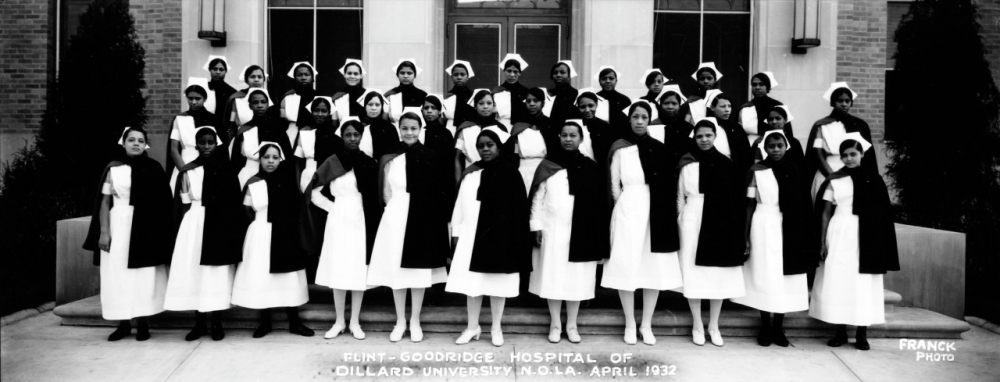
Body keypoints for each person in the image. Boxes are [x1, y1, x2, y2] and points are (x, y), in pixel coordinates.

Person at [602, 101, 684, 346]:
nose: (639, 121)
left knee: (653, 267)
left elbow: (668, 183)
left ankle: (646, 324)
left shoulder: (658, 148)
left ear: (649, 120)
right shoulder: (620, 149)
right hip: (628, 208)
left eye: (644, 117)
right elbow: (614, 184)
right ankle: (629, 322)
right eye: (635, 117)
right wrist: (624, 206)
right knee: (627, 265)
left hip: (655, 210)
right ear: (629, 119)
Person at [366, 112, 452, 343]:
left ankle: (414, 320)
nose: (409, 132)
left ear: (420, 129)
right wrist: (393, 211)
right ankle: (400, 320)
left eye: (414, 128)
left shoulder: (431, 156)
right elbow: (385, 192)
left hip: (422, 217)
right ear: (399, 129)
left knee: (418, 271)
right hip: (396, 216)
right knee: (397, 270)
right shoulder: (390, 158)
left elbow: (438, 191)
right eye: (405, 128)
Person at [83, 127, 173, 342]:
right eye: (131, 140)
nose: (135, 144)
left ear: (146, 145)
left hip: (146, 226)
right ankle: (123, 324)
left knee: (142, 275)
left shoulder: (154, 168)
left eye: (140, 141)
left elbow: (163, 203)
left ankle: (143, 323)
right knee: (119, 274)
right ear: (123, 143)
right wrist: (104, 233)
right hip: (119, 225)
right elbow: (104, 202)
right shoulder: (114, 169)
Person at [811, 135, 900, 351]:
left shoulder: (874, 179)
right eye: (845, 155)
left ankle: (861, 333)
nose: (849, 158)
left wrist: (880, 242)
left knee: (862, 284)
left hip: (867, 235)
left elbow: (883, 214)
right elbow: (824, 212)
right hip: (840, 231)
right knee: (839, 280)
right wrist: (822, 242)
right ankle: (840, 331)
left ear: (862, 154)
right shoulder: (834, 179)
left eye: (853, 154)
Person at [448, 129, 532, 347]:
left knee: (497, 284)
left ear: (498, 146)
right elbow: (459, 206)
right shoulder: (471, 173)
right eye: (481, 146)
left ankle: (496, 327)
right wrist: (455, 233)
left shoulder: (511, 173)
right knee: (472, 285)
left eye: (490, 145)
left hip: (499, 238)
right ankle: (472, 326)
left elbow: (519, 210)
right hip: (471, 236)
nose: (485, 149)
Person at [528, 121, 609, 344]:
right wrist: (535, 226)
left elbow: (599, 204)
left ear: (581, 139)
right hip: (552, 229)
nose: (568, 139)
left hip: (581, 231)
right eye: (564, 135)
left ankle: (572, 324)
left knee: (577, 278)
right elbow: (537, 197)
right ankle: (555, 324)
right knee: (553, 276)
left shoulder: (591, 167)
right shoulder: (549, 165)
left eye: (573, 135)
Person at [731, 130, 813, 347]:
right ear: (764, 148)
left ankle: (779, 327)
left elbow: (802, 204)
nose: (776, 150)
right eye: (771, 146)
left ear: (786, 146)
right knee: (766, 274)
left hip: (789, 226)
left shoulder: (794, 170)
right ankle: (765, 326)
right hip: (763, 224)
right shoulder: (757, 171)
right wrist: (746, 235)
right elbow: (749, 204)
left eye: (780, 145)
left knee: (784, 277)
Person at [164, 127, 244, 342]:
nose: (207, 146)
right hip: (195, 222)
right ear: (196, 144)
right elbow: (183, 203)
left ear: (216, 144)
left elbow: (234, 203)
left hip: (219, 224)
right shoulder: (188, 171)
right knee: (195, 272)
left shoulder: (226, 170)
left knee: (214, 274)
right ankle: (199, 323)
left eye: (210, 142)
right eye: (202, 142)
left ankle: (217, 322)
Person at [308, 120, 383, 340]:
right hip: (338, 219)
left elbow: (374, 197)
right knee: (340, 270)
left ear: (361, 137)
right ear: (342, 136)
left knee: (358, 271)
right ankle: (339, 321)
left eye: (356, 134)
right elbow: (314, 192)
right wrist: (333, 208)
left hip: (362, 220)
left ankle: (355, 322)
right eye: (348, 134)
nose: (352, 138)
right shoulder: (332, 161)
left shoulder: (369, 163)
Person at [677, 120, 747, 347]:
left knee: (717, 273)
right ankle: (697, 324)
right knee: (693, 272)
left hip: (720, 221)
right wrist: (682, 219)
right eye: (699, 136)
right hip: (692, 220)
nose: (704, 140)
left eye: (708, 135)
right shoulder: (687, 163)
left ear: (715, 136)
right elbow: (679, 196)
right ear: (694, 138)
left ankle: (714, 325)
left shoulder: (726, 164)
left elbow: (735, 199)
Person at [232, 142, 313, 338]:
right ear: (260, 159)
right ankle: (265, 322)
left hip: (285, 235)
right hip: (261, 234)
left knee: (287, 279)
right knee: (262, 277)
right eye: (266, 157)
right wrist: (259, 228)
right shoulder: (253, 183)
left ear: (280, 160)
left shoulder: (287, 182)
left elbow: (295, 210)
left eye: (275, 157)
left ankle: (294, 322)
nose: (270, 161)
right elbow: (246, 209)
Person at [805, 82, 878, 202]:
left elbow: (868, 157)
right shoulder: (822, 125)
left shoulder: (860, 125)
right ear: (833, 102)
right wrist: (832, 176)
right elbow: (816, 155)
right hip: (826, 172)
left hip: (854, 172)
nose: (844, 104)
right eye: (840, 101)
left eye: (847, 101)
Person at [231, 88, 292, 188]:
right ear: (250, 106)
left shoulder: (277, 129)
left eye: (263, 102)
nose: (260, 106)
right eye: (255, 102)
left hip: (275, 174)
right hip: (250, 172)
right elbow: (236, 160)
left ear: (268, 104)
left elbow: (287, 156)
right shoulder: (245, 130)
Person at [167, 82, 218, 195]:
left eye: (197, 98)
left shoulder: (213, 119)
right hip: (184, 163)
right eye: (190, 98)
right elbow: (173, 149)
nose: (193, 102)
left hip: (207, 165)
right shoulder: (180, 119)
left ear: (204, 99)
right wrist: (184, 171)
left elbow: (218, 147)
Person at [454, 89, 511, 182]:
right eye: (481, 103)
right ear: (475, 106)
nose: (485, 107)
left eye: (489, 103)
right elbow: (457, 158)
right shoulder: (466, 129)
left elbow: (506, 157)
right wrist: (458, 183)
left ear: (494, 105)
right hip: (471, 174)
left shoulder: (501, 128)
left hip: (495, 176)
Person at [295, 97, 344, 192]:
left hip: (328, 178)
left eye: (324, 111)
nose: (320, 114)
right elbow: (298, 162)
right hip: (307, 178)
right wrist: (297, 185)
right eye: (316, 110)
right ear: (311, 112)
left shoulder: (336, 133)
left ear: (329, 112)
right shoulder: (305, 132)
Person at [735, 72, 792, 144]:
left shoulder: (778, 106)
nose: (757, 87)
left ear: (767, 86)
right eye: (754, 85)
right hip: (749, 146)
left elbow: (788, 132)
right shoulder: (744, 109)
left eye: (761, 84)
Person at [707, 92, 753, 176]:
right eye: (723, 106)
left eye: (729, 106)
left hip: (735, 173)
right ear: (712, 107)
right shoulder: (707, 126)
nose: (727, 109)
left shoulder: (737, 128)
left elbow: (746, 155)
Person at [576, 89, 620, 168]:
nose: (587, 110)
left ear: (596, 105)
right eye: (583, 107)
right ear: (578, 107)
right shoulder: (575, 126)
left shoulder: (605, 127)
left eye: (590, 106)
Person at [355, 89, 402, 160]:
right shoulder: (358, 126)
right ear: (365, 106)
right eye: (370, 104)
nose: (374, 108)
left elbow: (395, 153)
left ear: (382, 106)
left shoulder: (389, 128)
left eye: (377, 105)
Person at [225, 65, 268, 142]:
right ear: (246, 80)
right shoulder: (237, 98)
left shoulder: (268, 97)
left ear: (264, 79)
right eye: (252, 77)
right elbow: (232, 120)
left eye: (259, 77)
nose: (256, 80)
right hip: (245, 134)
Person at [281, 61, 319, 146]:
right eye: (299, 75)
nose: (303, 77)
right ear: (294, 77)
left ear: (312, 77)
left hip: (314, 132)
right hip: (292, 133)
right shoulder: (287, 97)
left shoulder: (318, 96)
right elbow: (282, 120)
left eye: (307, 75)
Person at [385, 59, 428, 124]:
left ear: (415, 75)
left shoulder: (422, 95)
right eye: (402, 73)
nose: (405, 76)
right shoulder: (390, 95)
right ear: (397, 75)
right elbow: (385, 119)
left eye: (409, 73)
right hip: (394, 130)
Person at [204, 56, 237, 137]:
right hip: (205, 127)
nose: (218, 72)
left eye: (221, 69)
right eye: (215, 69)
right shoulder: (203, 87)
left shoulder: (232, 92)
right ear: (210, 70)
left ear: (225, 71)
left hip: (223, 131)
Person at [494, 54, 530, 124]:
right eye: (509, 71)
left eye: (515, 71)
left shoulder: (525, 92)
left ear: (520, 73)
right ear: (504, 71)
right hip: (500, 124)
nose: (512, 75)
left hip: (520, 127)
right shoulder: (497, 91)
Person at [595, 66, 632, 132]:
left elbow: (629, 122)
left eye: (611, 78)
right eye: (604, 79)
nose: (608, 81)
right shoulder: (594, 98)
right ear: (599, 81)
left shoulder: (624, 100)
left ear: (616, 80)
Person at [331, 59, 367, 125]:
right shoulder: (337, 97)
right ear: (344, 74)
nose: (352, 76)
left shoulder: (367, 94)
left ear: (361, 76)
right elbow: (334, 122)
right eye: (349, 73)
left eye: (356, 74)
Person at [545, 61, 581, 127]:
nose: (558, 75)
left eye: (562, 72)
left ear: (569, 76)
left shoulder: (575, 93)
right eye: (555, 73)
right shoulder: (548, 94)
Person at [444, 60, 477, 128]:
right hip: (450, 129)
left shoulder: (473, 95)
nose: (459, 77)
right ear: (451, 77)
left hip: (468, 129)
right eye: (456, 74)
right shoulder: (447, 97)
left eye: (462, 74)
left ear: (467, 76)